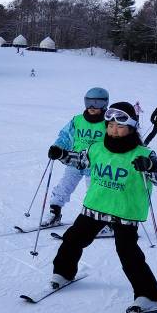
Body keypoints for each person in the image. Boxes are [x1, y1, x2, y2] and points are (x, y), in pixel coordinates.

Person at [46, 101, 157, 313]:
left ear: (131, 128)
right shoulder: (97, 148)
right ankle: (63, 273)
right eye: (110, 126)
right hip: (95, 206)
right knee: (72, 239)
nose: (114, 130)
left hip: (125, 212)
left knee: (128, 253)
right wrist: (62, 154)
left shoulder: (143, 154)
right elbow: (80, 160)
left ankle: (149, 295)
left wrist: (150, 166)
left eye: (120, 126)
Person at [40, 87, 108, 229]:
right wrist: (57, 147)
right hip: (75, 161)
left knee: (96, 194)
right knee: (63, 187)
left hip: (96, 165)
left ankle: (103, 222)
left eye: (97, 103)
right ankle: (55, 213)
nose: (92, 107)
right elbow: (66, 136)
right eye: (89, 102)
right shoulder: (77, 120)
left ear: (104, 104)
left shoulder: (108, 123)